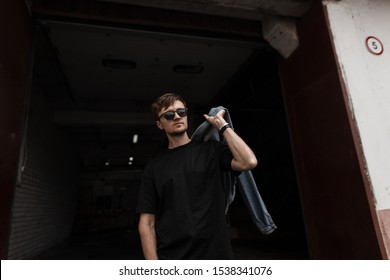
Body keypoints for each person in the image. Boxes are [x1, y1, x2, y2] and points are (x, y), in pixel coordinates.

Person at [136, 93, 258, 260]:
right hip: (173, 258)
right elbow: (147, 223)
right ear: (159, 124)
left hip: (217, 255)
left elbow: (248, 162)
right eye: (169, 115)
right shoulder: (154, 167)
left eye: (181, 112)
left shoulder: (211, 150)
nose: (177, 117)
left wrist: (223, 126)